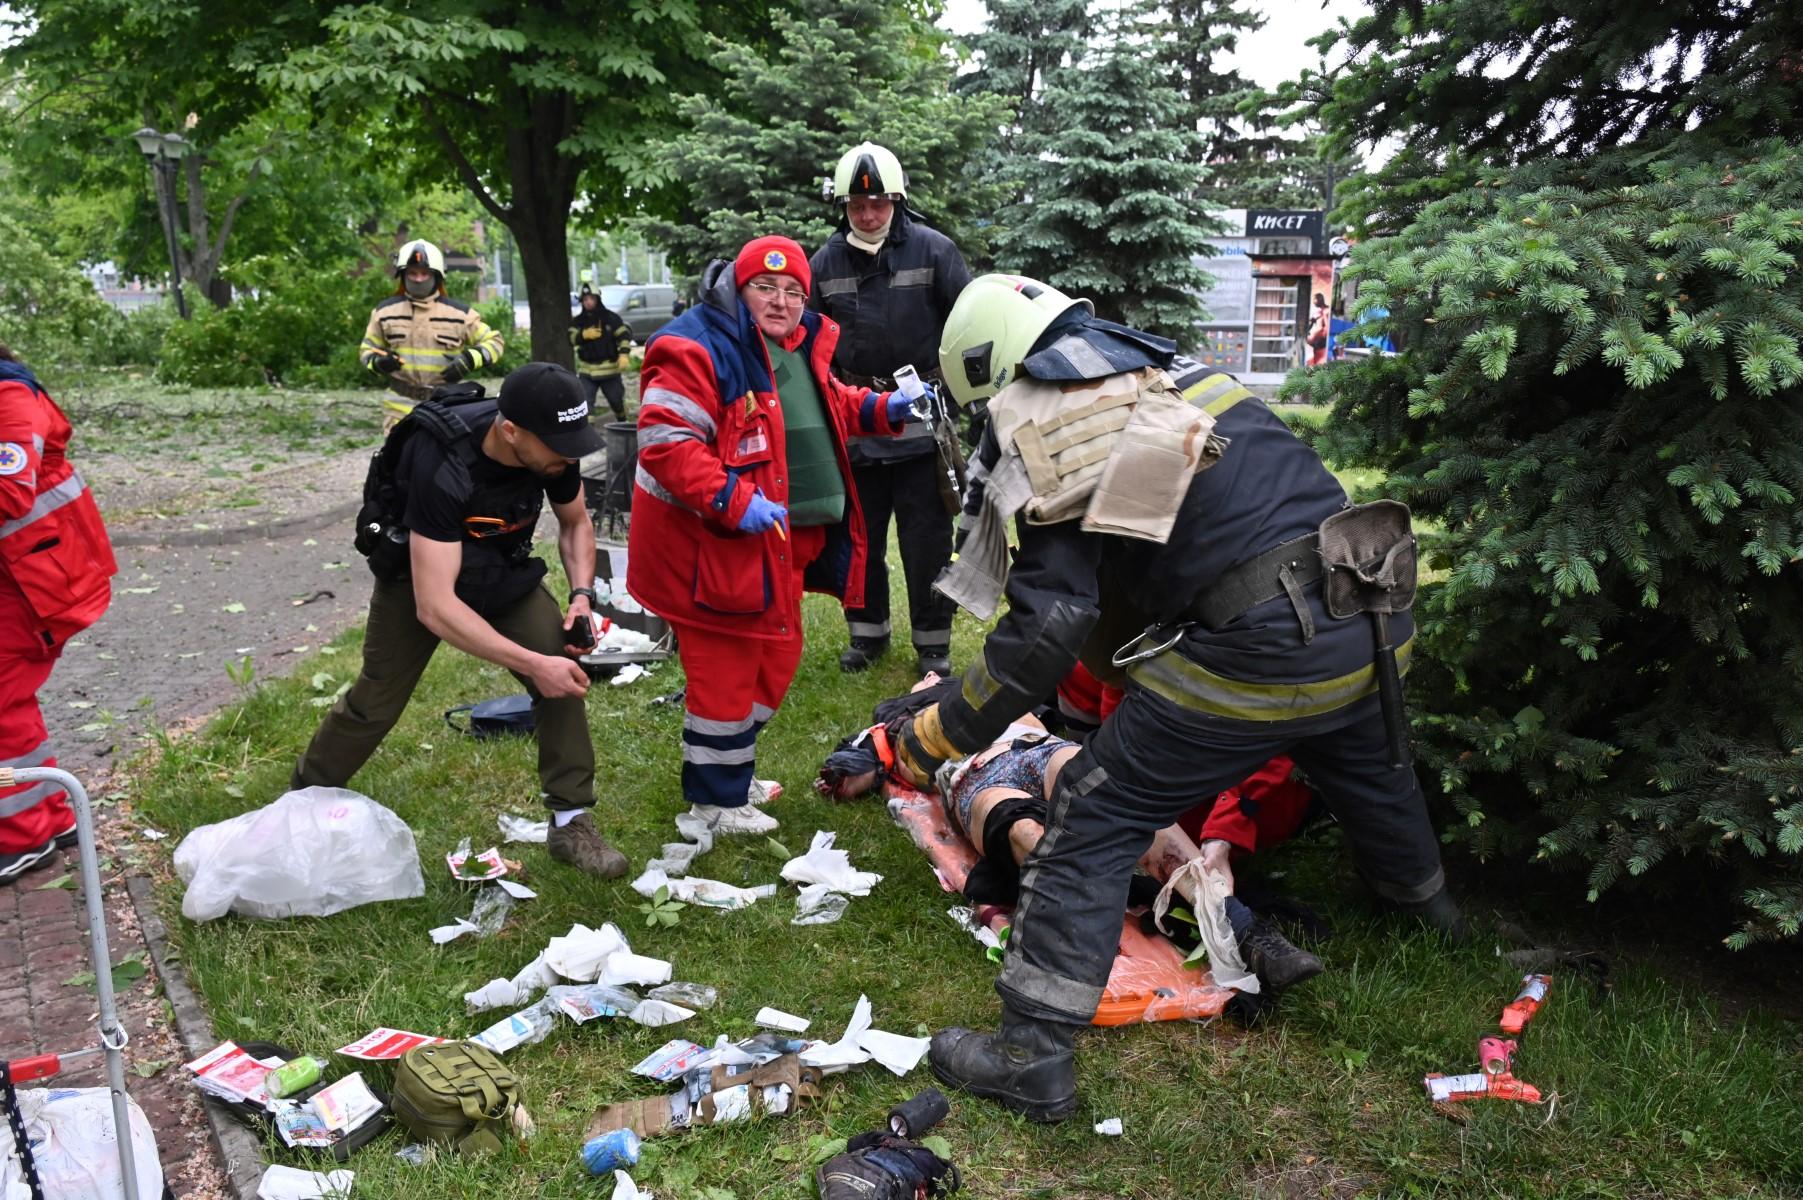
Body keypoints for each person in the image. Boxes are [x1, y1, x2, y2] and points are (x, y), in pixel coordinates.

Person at [885, 273, 1462, 1122]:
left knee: (1090, 814)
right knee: (1372, 770)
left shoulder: (1056, 418)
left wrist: (939, 731)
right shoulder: (1174, 372)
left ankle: (1030, 1054)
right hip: (1369, 620)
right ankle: (1432, 923)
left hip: (1260, 650)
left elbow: (1047, 634)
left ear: (993, 369)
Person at [627, 235, 918, 836]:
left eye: (793, 291)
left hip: (780, 551)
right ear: (739, 287)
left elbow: (831, 404)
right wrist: (734, 501)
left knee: (774, 668)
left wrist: (888, 409)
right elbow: (666, 445)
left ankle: (729, 773)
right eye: (765, 287)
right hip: (716, 554)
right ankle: (715, 804)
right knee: (725, 679)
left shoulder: (793, 347)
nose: (781, 301)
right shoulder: (696, 347)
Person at [291, 362, 628, 878]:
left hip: (501, 569)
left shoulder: (554, 452)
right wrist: (531, 663)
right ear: (510, 430)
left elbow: (575, 522)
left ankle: (570, 820)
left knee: (562, 675)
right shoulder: (442, 462)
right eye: (559, 444)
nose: (570, 455)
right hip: (422, 580)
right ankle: (300, 805)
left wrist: (581, 596)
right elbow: (436, 606)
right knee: (375, 701)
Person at [809, 142, 972, 677]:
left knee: (927, 542)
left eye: (878, 202)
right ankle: (867, 634)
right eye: (857, 206)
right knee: (860, 539)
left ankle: (932, 643)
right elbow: (810, 346)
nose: (868, 213)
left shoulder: (935, 251)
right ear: (843, 206)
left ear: (896, 200)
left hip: (921, 423)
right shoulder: (824, 263)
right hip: (855, 426)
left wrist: (948, 394)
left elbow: (967, 328)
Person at [0, 343, 116, 882]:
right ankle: (52, 816)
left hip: (34, 586)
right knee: (11, 704)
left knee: (3, 705)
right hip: (25, 579)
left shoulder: (9, 398)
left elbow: (8, 493)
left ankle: (23, 838)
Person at [360, 239, 507, 431]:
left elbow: (495, 342)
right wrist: (378, 363)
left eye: (424, 273)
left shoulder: (459, 315)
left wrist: (470, 360)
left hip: (445, 405)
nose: (418, 279)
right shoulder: (384, 312)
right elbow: (366, 350)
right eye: (412, 272)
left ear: (436, 276)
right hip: (398, 407)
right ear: (402, 275)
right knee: (398, 459)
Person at [569, 284, 634, 422]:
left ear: (597, 299)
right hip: (587, 371)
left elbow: (624, 337)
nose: (588, 302)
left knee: (616, 401)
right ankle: (589, 437)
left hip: (609, 370)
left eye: (591, 298)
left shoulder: (611, 318)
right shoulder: (578, 321)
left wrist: (623, 355)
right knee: (585, 406)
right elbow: (570, 339)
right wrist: (582, 335)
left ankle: (623, 425)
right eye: (585, 299)